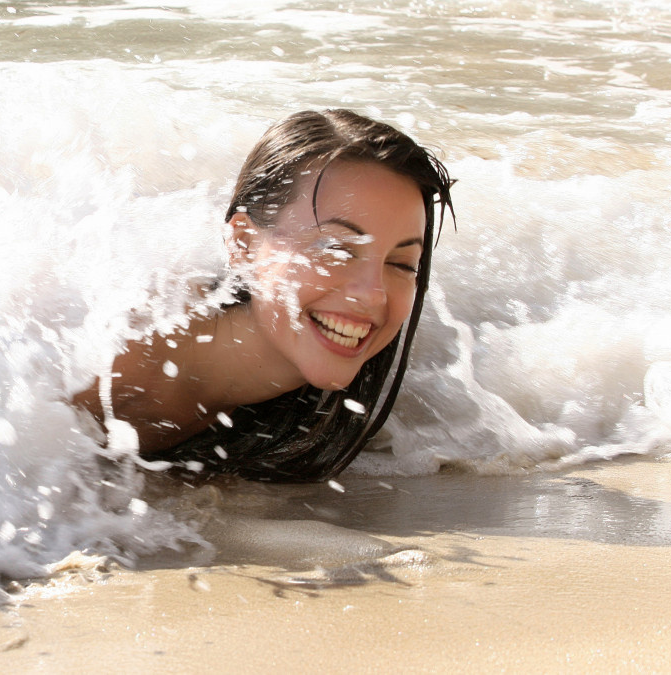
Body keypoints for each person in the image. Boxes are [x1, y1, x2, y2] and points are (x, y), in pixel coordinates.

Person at [72, 109, 454, 482]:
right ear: (244, 243)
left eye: (402, 264)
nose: (373, 294)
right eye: (336, 249)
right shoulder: (115, 357)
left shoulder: (352, 406)